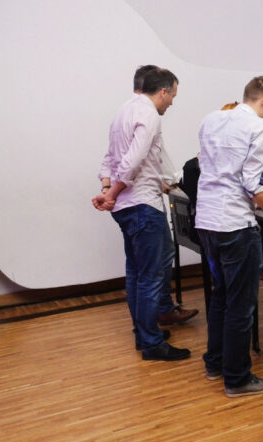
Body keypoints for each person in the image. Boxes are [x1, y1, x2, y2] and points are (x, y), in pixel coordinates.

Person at [195, 77, 263, 397]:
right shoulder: (259, 128)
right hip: (235, 225)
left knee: (221, 295)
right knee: (241, 305)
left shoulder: (212, 119)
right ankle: (237, 378)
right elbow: (254, 184)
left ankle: (215, 363)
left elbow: (206, 165)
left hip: (207, 221)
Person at [92, 68, 192, 361]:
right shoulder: (149, 114)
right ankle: (152, 344)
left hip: (126, 207)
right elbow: (132, 162)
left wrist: (107, 189)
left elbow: (110, 158)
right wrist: (111, 192)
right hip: (143, 205)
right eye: (172, 95)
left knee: (136, 274)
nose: (172, 102)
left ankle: (144, 335)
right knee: (150, 276)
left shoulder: (123, 110)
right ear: (163, 92)